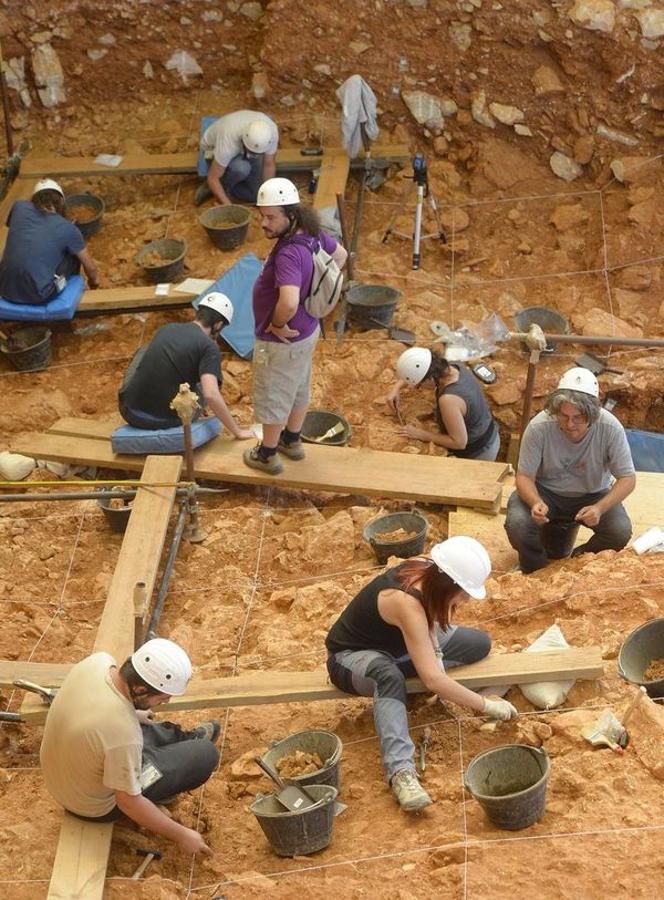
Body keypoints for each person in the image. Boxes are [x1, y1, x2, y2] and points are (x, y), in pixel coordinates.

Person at [325, 536, 518, 813]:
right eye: (463, 591)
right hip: (351, 658)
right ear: (448, 583)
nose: (465, 599)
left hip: (399, 644)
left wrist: (434, 652)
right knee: (388, 677)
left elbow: (430, 631)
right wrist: (486, 705)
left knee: (478, 644)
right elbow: (433, 680)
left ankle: (409, 676)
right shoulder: (405, 602)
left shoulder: (432, 567)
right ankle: (401, 773)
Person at [40, 639, 219, 855]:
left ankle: (184, 739)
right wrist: (182, 834)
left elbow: (98, 709)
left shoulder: (98, 663)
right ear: (141, 689)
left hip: (68, 771)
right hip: (93, 805)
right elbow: (128, 802)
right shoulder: (123, 734)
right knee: (204, 755)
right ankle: (188, 747)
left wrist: (133, 714)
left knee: (145, 722)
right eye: (162, 698)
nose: (166, 702)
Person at [243, 177, 348, 475]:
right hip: (307, 331)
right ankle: (292, 440)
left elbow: (287, 302)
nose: (263, 222)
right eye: (261, 214)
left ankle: (267, 454)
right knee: (299, 385)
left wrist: (276, 324)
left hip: (282, 340)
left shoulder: (289, 252)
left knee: (274, 392)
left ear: (290, 215)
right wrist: (314, 291)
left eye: (271, 217)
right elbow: (339, 256)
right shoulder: (311, 234)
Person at [505, 366, 636, 574]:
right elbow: (524, 476)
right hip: (547, 492)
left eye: (578, 417)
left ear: (592, 414)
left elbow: (627, 478)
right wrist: (535, 502)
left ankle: (577, 562)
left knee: (619, 531)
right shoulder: (539, 427)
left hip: (593, 494)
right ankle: (534, 568)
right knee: (518, 524)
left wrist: (600, 508)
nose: (570, 424)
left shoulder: (610, 428)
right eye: (563, 416)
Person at [118, 292, 253, 438]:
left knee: (144, 351)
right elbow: (211, 394)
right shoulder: (209, 347)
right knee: (207, 379)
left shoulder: (167, 328)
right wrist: (238, 432)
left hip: (129, 410)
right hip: (162, 421)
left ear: (199, 313)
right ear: (218, 325)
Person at [386, 347, 500, 460]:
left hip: (479, 452)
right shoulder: (452, 366)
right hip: (488, 431)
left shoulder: (449, 399)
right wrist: (396, 388)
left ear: (430, 379)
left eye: (419, 385)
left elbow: (459, 443)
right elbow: (422, 370)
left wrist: (421, 434)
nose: (420, 389)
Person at [0, 178, 99, 305]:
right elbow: (90, 268)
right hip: (39, 295)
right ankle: (67, 291)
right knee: (74, 257)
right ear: (61, 202)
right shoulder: (69, 229)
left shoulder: (19, 206)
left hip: (4, 287)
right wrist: (94, 283)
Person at [195, 110, 278, 206]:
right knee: (241, 168)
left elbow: (269, 165)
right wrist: (229, 206)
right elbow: (213, 178)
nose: (254, 156)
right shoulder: (228, 142)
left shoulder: (271, 132)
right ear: (243, 141)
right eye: (251, 152)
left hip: (241, 145)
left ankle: (228, 189)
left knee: (257, 195)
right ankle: (217, 187)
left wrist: (268, 196)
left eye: (257, 153)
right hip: (212, 148)